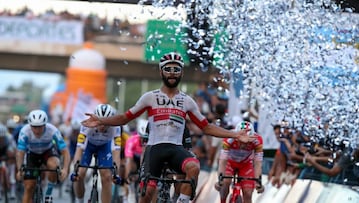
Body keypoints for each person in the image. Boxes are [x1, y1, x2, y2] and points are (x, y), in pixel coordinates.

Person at [81, 52, 255, 203]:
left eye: (176, 69)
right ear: (161, 71)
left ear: (181, 73)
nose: (172, 73)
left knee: (193, 167)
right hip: (154, 149)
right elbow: (125, 117)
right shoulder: (149, 97)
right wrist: (103, 120)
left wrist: (235, 134)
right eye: (168, 68)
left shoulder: (187, 101)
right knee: (148, 193)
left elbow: (207, 127)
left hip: (176, 149)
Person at [16, 109, 70, 203]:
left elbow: (65, 151)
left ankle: (48, 193)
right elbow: (20, 152)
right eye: (34, 127)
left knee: (54, 165)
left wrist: (65, 169)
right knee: (29, 187)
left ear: (45, 124)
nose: (37, 130)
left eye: (40, 127)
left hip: (47, 152)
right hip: (32, 154)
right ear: (30, 125)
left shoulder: (53, 130)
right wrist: (20, 169)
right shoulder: (24, 132)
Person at [71, 104, 122, 203]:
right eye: (99, 123)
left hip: (104, 146)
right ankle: (80, 200)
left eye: (105, 123)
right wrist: (75, 170)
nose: (102, 127)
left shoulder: (116, 127)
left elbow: (116, 151)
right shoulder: (86, 126)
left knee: (107, 177)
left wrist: (116, 173)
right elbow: (79, 149)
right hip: (88, 145)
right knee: (80, 174)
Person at [215, 121, 264, 203]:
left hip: (246, 164)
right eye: (241, 141)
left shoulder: (257, 140)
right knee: (225, 182)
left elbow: (258, 163)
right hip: (229, 162)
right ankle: (222, 200)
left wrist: (258, 181)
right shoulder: (229, 138)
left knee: (248, 193)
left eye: (248, 142)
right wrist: (220, 179)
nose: (244, 144)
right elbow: (223, 160)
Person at [0, 124, 17, 200]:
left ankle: (13, 193)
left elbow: (14, 149)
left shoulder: (9, 138)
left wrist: (14, 158)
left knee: (12, 173)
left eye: (2, 138)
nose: (1, 139)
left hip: (7, 152)